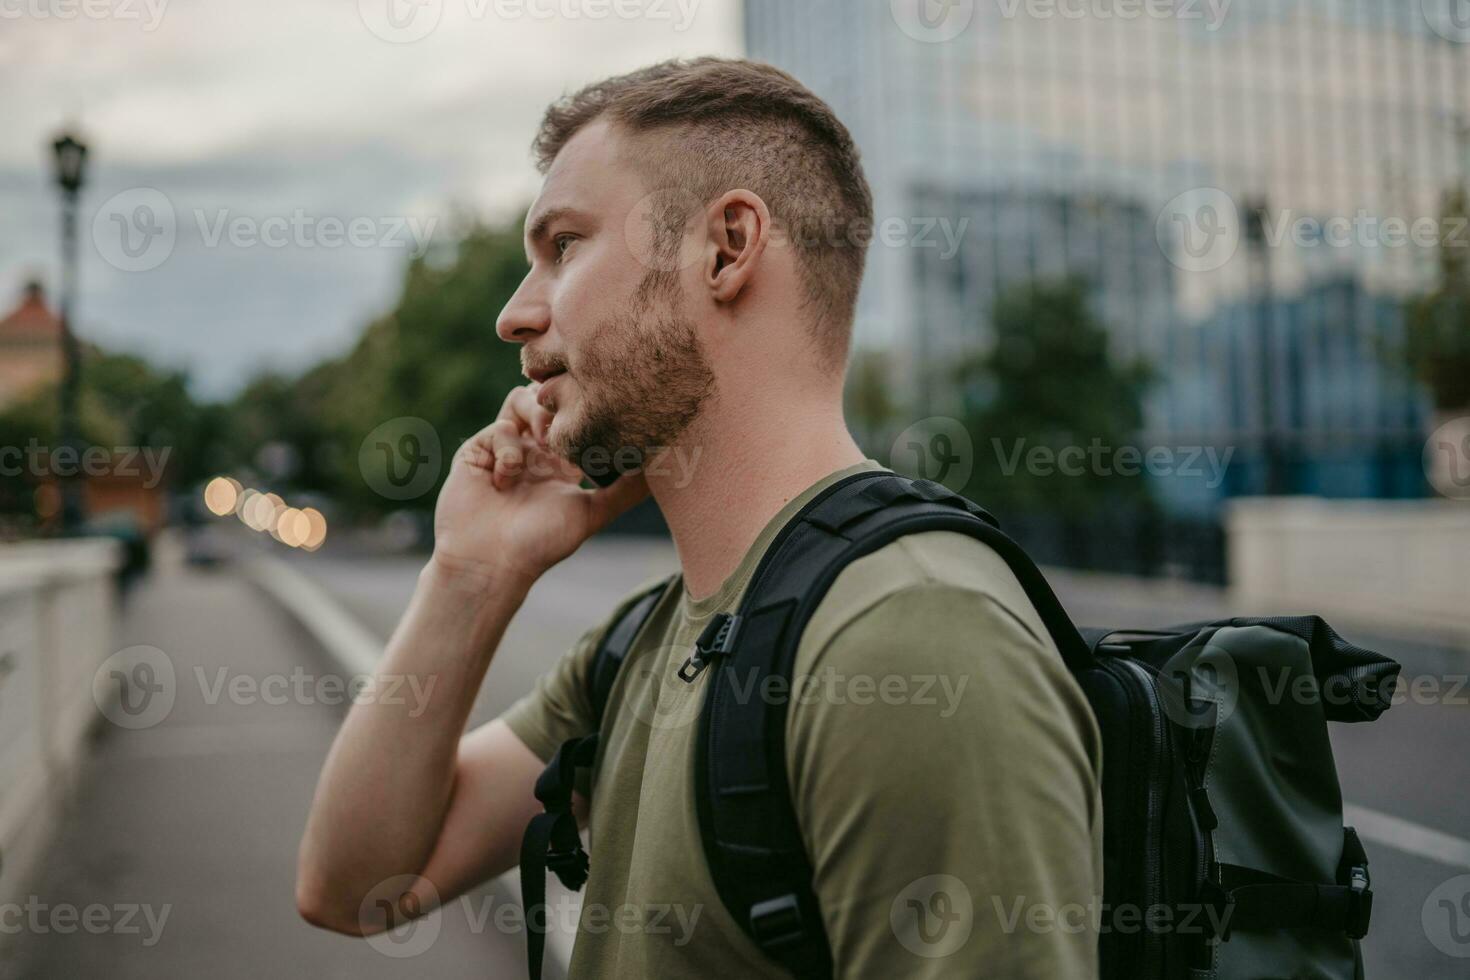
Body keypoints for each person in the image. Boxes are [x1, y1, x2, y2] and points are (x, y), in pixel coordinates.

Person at [297, 57, 1101, 978]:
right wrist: (470, 575)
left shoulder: (912, 635)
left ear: (726, 247)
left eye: (564, 246)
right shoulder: (643, 639)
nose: (514, 317)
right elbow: (356, 883)